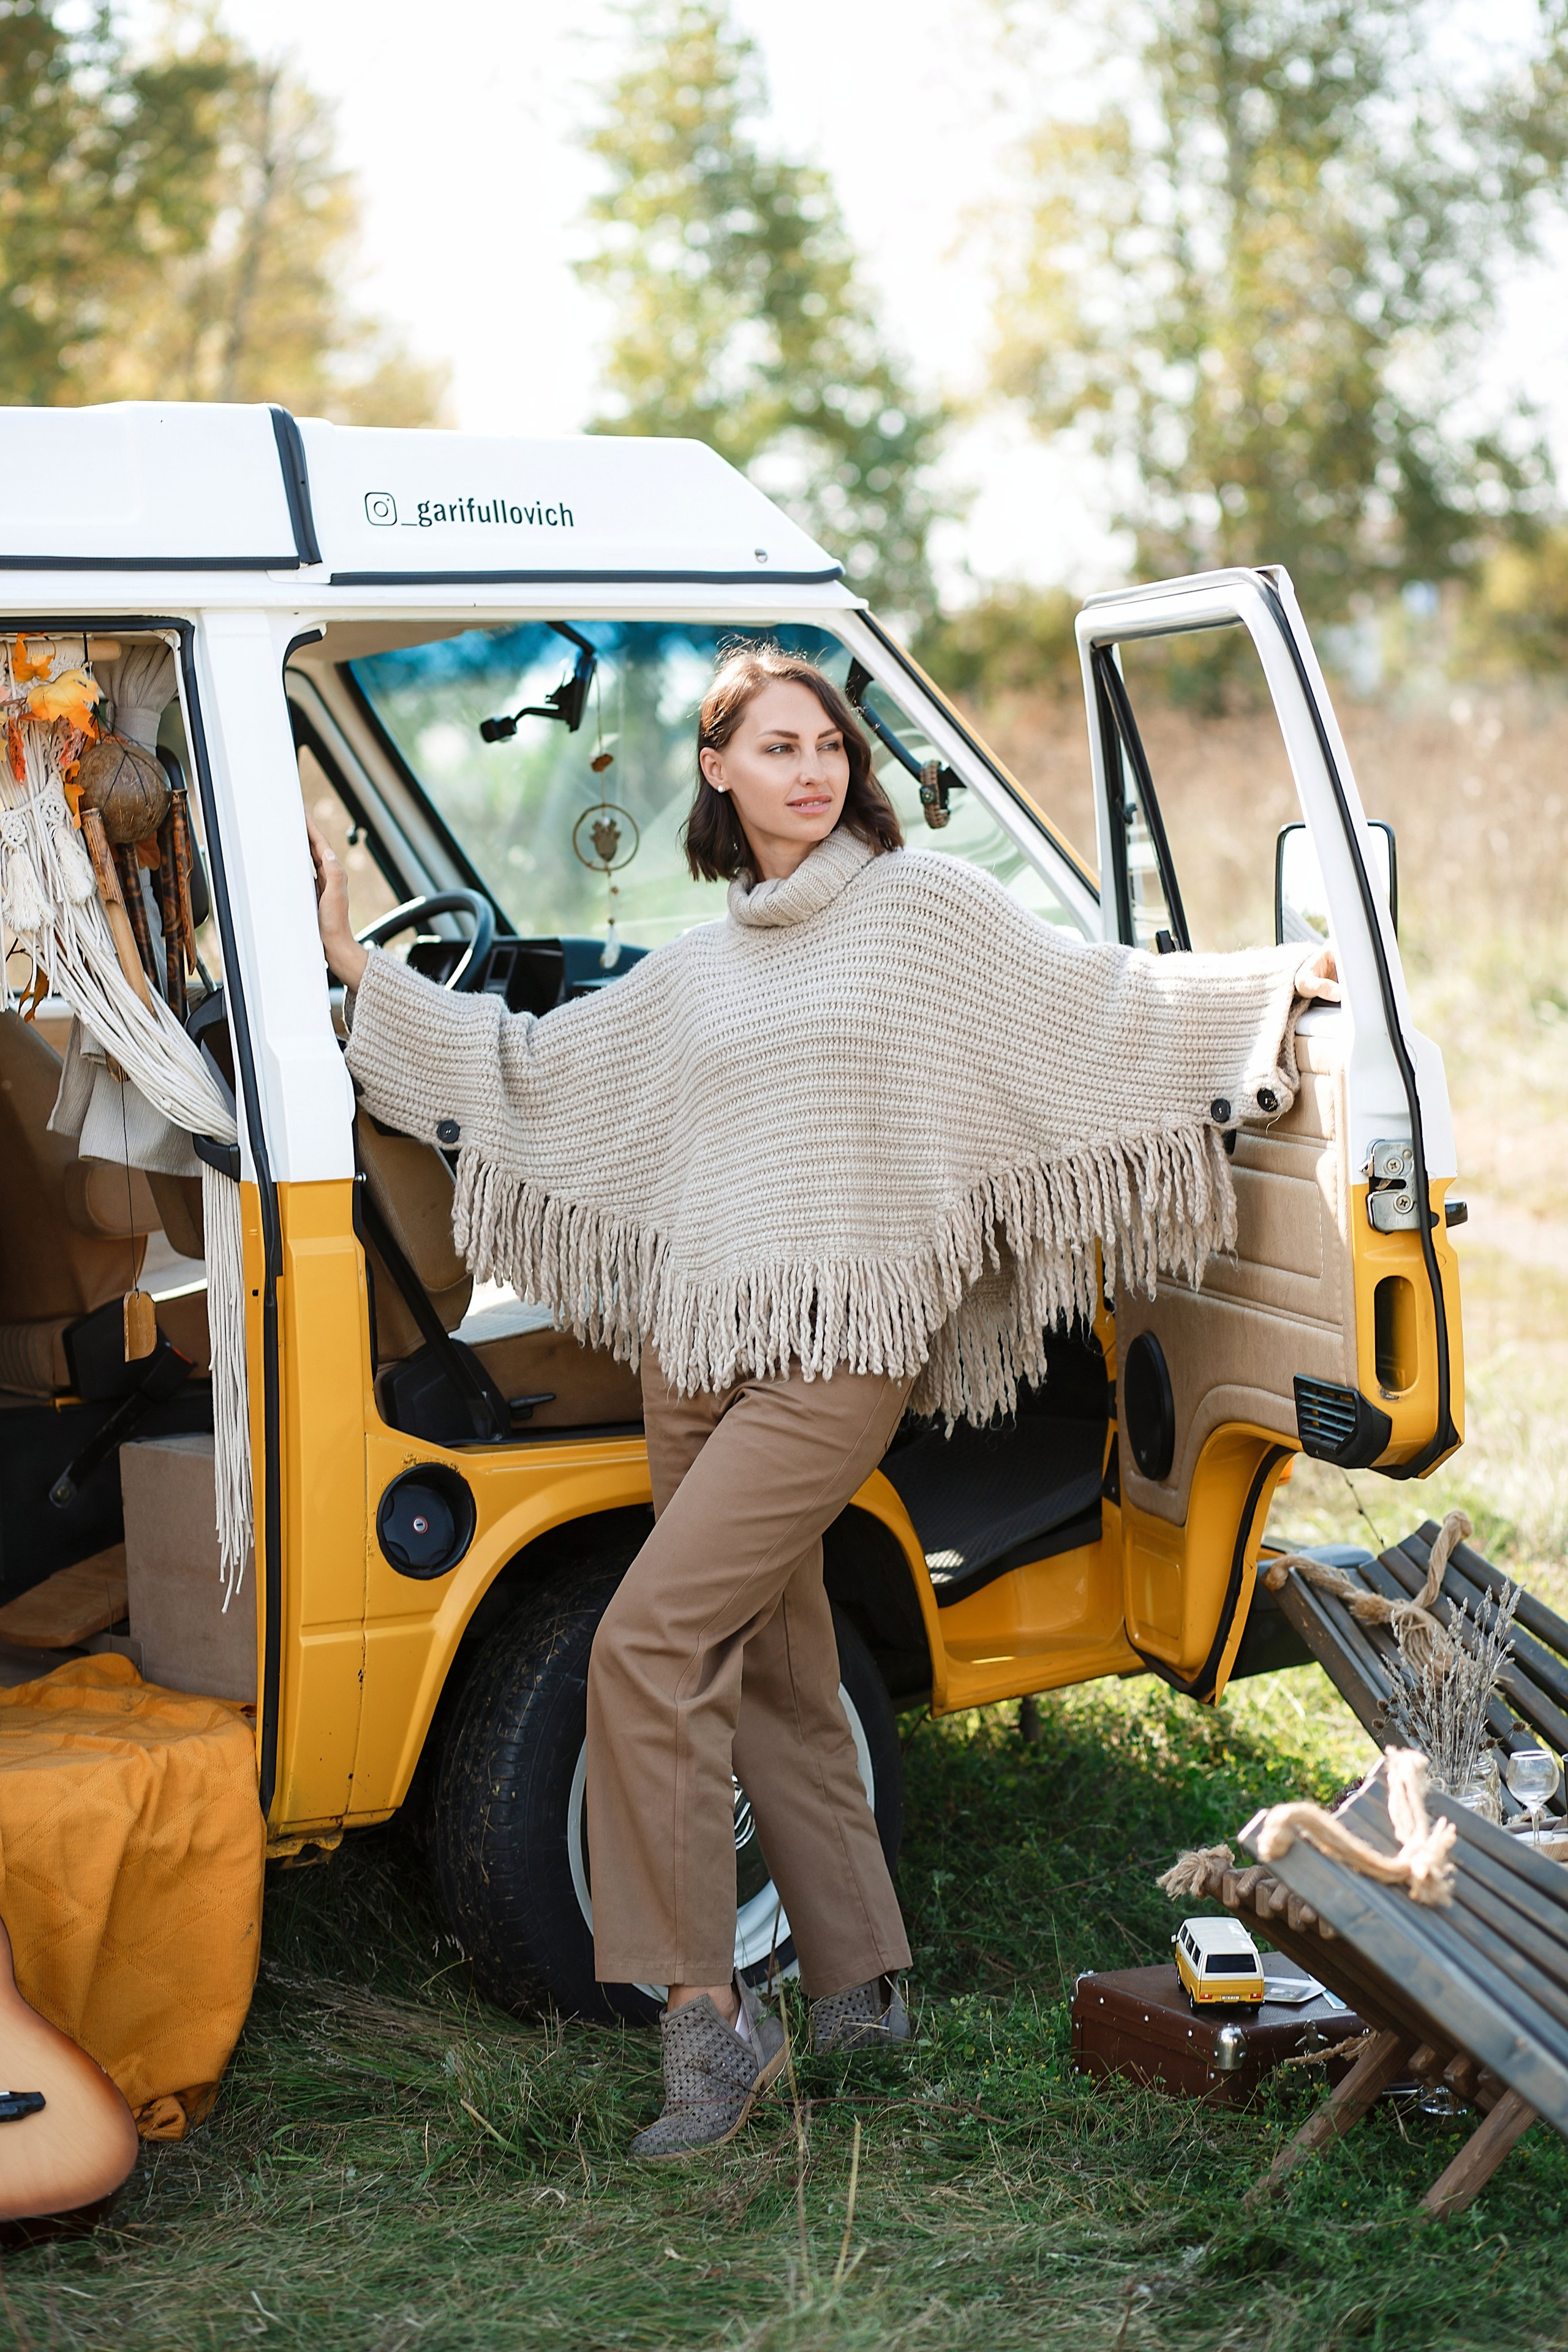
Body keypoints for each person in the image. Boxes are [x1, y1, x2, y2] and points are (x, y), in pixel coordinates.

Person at [308, 643, 1337, 2160]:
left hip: (832, 1355)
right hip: (689, 1353)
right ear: (717, 768)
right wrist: (352, 976)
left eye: (830, 748)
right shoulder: (703, 960)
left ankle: (706, 2025)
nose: (812, 772)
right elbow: (535, 1070)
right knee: (782, 1670)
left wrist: (1266, 993)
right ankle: (862, 1985)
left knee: (649, 1648)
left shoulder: (915, 913)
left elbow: (1089, 1004)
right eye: (777, 748)